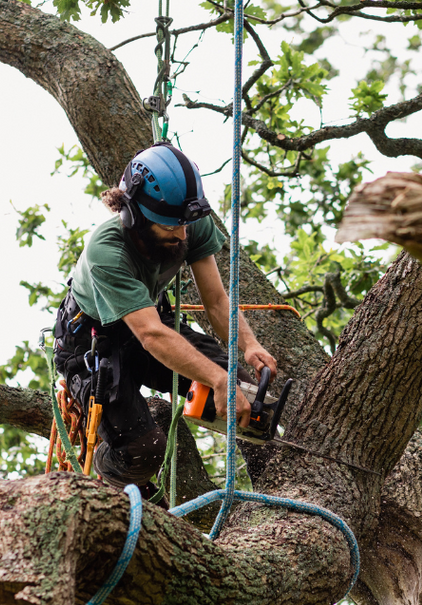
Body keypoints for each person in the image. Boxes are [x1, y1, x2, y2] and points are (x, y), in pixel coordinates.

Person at [54, 142, 278, 492]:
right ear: (134, 216)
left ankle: (273, 485)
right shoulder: (107, 250)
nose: (182, 234)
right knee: (143, 450)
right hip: (94, 344)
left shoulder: (185, 220)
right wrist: (216, 380)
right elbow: (152, 336)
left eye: (185, 224)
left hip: (150, 324)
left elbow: (216, 301)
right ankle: (108, 467)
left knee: (245, 395)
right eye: (170, 226)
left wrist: (248, 344)